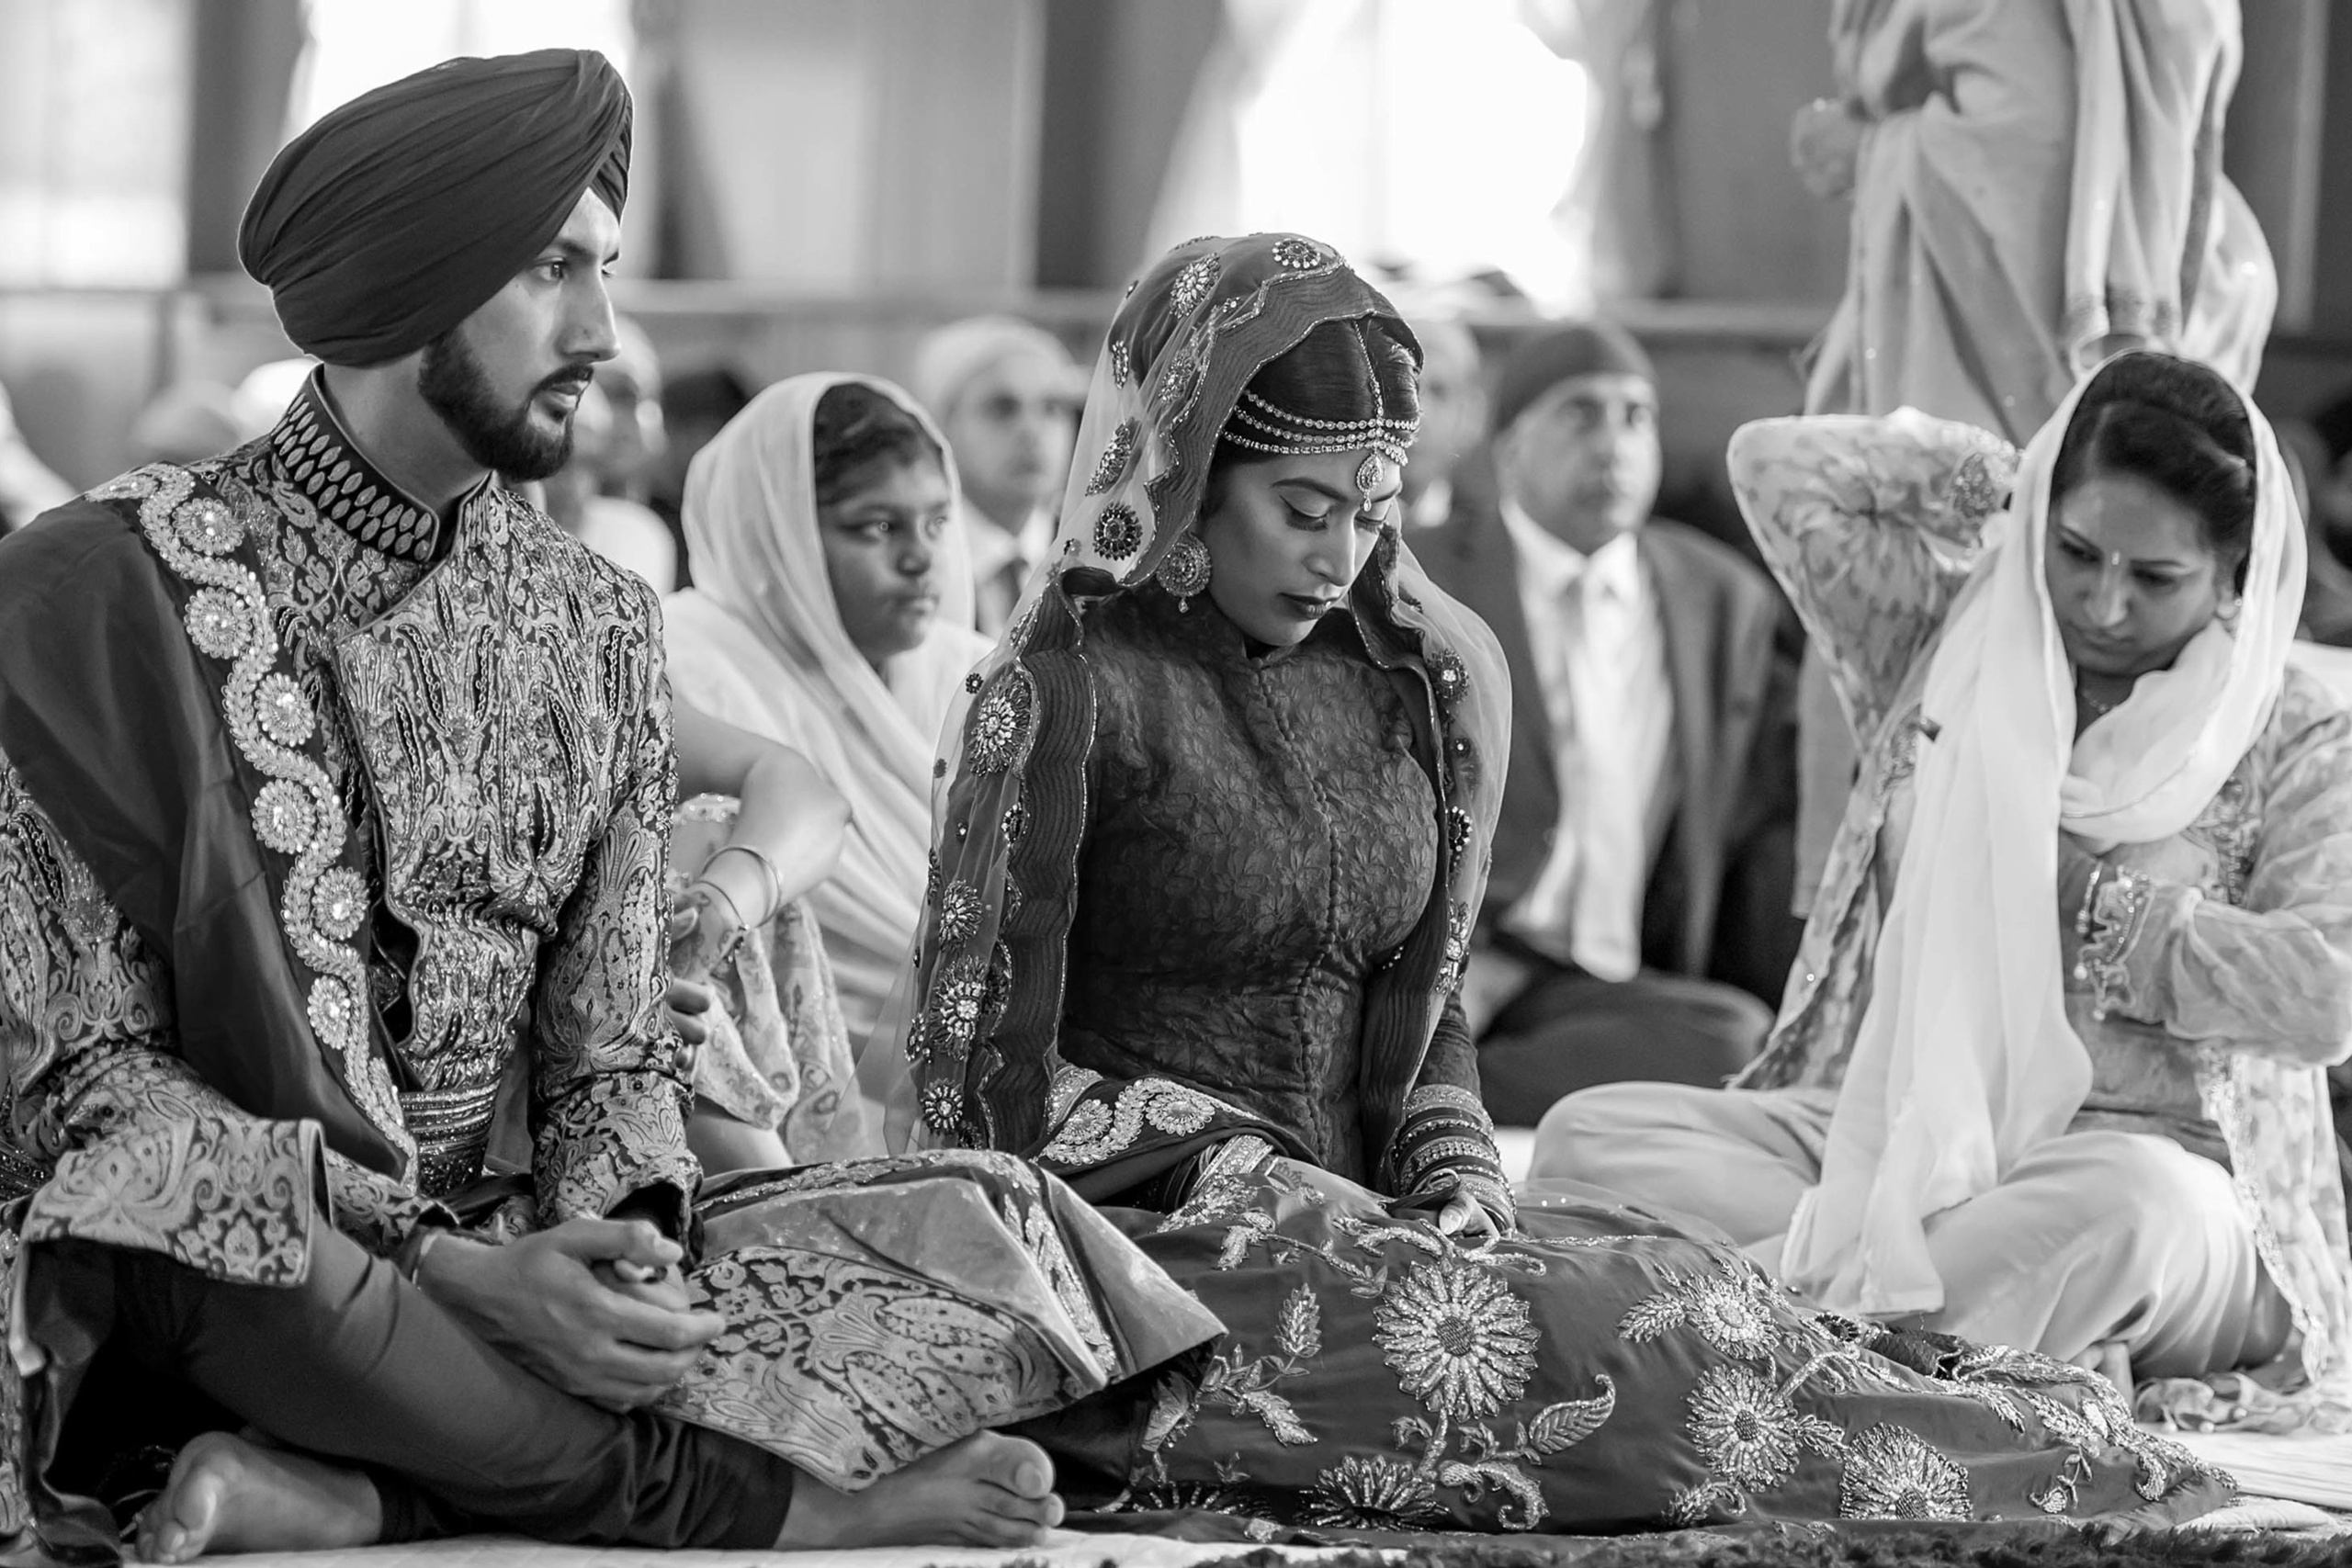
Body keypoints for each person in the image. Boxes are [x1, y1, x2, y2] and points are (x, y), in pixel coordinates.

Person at [0, 51, 1216, 1561]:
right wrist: (460, 1275)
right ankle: (753, 1502)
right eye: (551, 270)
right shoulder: (97, 585)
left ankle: (357, 1489)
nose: (600, 330)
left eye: (606, 270)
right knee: (202, 1230)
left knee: (1006, 1236)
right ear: (405, 285)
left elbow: (613, 1051)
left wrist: (620, 1254)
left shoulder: (593, 623)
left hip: (525, 1244)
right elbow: (88, 1079)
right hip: (263, 1249)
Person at [877, 234, 2230, 1534]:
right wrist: (1234, 1163)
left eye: (1373, 512)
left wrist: (1455, 1162)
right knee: (1601, 1362)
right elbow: (965, 1088)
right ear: (1184, 475)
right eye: (1300, 510)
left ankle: (2025, 1436)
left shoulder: (1414, 679)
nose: (1339, 556)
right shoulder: (1061, 691)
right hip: (1136, 1266)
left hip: (1380, 1224)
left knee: (1672, 1286)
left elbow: (1423, 1002)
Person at [1537, 353, 2352, 1427]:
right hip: (1904, 1132)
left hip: (2167, 1175)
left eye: (2154, 578)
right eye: (2074, 552)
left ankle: (1746, 1354)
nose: (2102, 603)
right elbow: (1778, 468)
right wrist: (2014, 473)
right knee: (1590, 1138)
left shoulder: (2296, 724)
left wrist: (2088, 902)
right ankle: (1961, 1349)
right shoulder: (1945, 641)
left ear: (2234, 575)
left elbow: (2324, 994)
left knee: (2116, 1211)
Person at [1785, 0, 2273, 923]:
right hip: (2145, 350)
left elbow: (2029, 164)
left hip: (1995, 442)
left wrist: (1869, 153)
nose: (2108, 599)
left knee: (1946, 876)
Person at [1418, 322, 1800, 1119]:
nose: (1613, 445)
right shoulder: (1421, 575)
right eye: (1581, 414)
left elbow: (1769, 792)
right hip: (1451, 959)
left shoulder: (1721, 597)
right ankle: (1422, 1068)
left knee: (1737, 1041)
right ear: (1512, 446)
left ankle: (1428, 1092)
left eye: (1636, 418)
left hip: (1606, 986)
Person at [665, 376, 993, 1071]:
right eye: (876, 527)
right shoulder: (688, 662)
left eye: (937, 522)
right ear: (779, 536)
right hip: (783, 1090)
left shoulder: (972, 676)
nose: (919, 559)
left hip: (997, 1065)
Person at [910, 316, 1082, 635]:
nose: (1032, 431)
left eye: (1052, 408)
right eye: (1003, 408)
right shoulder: (913, 559)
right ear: (939, 427)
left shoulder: (1098, 556)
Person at [648, 364, 754, 588]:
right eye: (716, 431)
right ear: (672, 428)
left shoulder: (734, 512)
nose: (731, 446)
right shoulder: (634, 510)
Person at [1396, 311, 1485, 530]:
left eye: (1439, 391)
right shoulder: (1330, 515)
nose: (1415, 413)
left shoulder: (1487, 536)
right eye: (1401, 387)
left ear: (1470, 416)